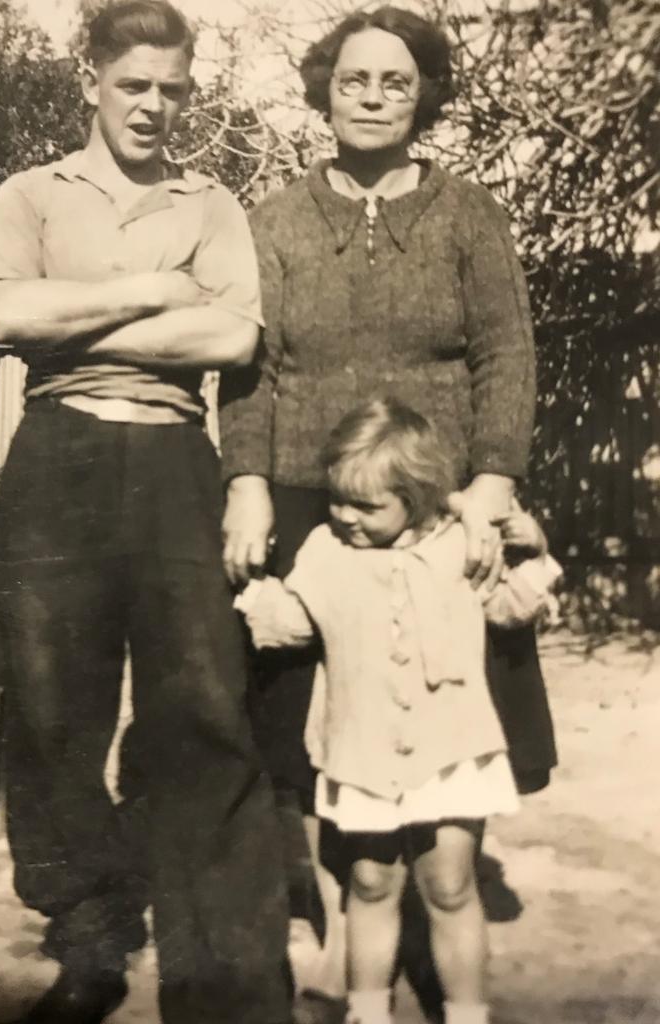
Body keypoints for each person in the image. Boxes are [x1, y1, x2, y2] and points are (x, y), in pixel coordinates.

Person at [219, 5, 557, 1018]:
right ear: (323, 90)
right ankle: (346, 933)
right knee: (310, 733)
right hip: (305, 498)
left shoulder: (469, 214)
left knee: (454, 710)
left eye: (395, 81)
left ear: (426, 96)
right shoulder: (273, 220)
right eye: (353, 79)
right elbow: (252, 368)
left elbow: (508, 355)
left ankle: (445, 894)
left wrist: (492, 484)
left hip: (440, 505)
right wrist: (244, 483)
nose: (371, 97)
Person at [0, 4, 292, 1023]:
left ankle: (222, 971)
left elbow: (233, 340)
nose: (153, 106)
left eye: (171, 89)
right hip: (56, 456)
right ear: (92, 81)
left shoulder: (215, 205)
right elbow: (6, 316)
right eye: (133, 86)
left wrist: (83, 314)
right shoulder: (31, 193)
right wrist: (154, 290)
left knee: (201, 703)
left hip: (171, 461)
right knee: (53, 709)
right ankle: (90, 941)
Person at [235, 397, 561, 1024]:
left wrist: (536, 553)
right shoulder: (325, 553)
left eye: (366, 506)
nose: (345, 517)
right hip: (361, 751)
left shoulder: (463, 550)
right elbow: (294, 623)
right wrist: (252, 589)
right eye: (337, 501)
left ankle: (468, 1012)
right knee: (370, 884)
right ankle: (368, 1009)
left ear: (415, 496)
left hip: (452, 750)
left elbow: (511, 610)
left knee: (450, 885)